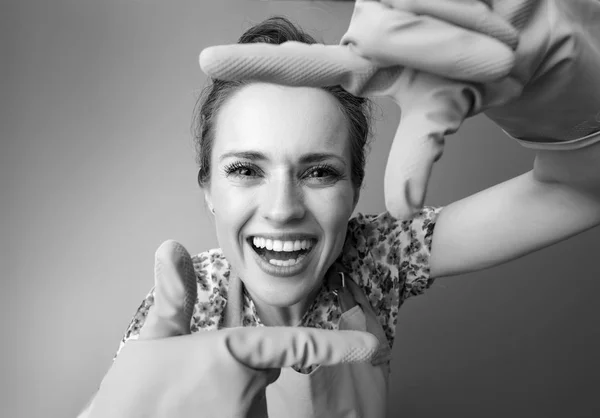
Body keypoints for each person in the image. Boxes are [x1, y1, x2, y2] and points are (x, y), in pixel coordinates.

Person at [80, 13, 600, 418]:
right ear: (208, 189)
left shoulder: (374, 259)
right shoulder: (183, 309)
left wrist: (553, 84)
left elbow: (576, 192)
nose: (283, 210)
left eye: (319, 173)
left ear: (354, 192)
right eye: (245, 169)